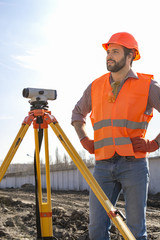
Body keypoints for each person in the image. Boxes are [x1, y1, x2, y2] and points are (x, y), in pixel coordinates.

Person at [71, 32, 160, 240]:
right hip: (102, 165)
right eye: (108, 51)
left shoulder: (147, 85)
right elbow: (77, 114)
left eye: (115, 52)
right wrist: (84, 139)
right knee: (96, 228)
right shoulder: (95, 86)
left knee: (136, 231)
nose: (109, 56)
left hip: (134, 165)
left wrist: (154, 144)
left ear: (130, 56)